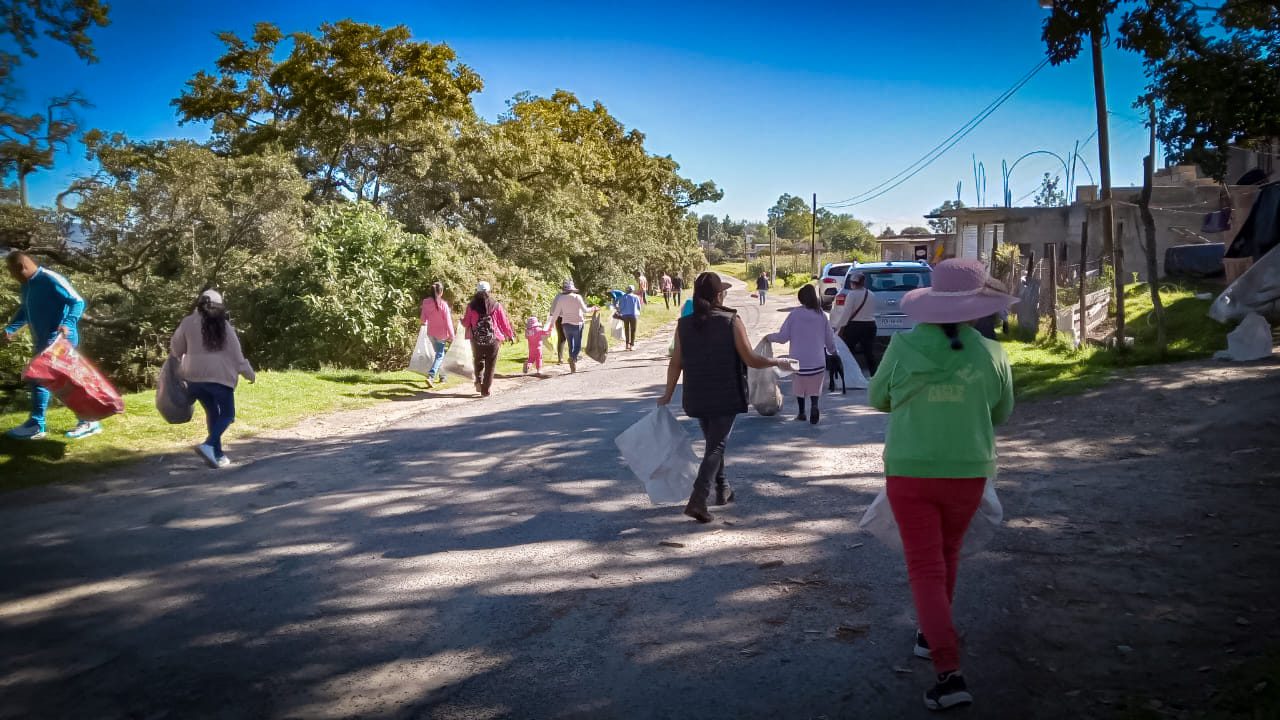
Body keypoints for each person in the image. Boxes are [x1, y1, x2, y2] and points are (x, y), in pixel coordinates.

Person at [867, 259, 1016, 711]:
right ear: (976, 308)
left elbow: (877, 399)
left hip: (910, 472)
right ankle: (934, 638)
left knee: (924, 568)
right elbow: (1002, 413)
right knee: (947, 556)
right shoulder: (993, 354)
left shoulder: (901, 346)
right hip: (968, 471)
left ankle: (948, 673)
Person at [657, 272, 791, 524]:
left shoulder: (683, 324)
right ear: (719, 295)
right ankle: (698, 499)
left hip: (696, 393)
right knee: (716, 445)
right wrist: (779, 361)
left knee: (713, 443)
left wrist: (668, 393)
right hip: (725, 391)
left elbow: (676, 363)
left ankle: (723, 489)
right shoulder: (730, 320)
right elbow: (750, 359)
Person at [2, 251, 101, 440]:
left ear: (21, 267)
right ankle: (41, 424)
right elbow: (25, 309)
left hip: (59, 340)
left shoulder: (49, 278)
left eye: (10, 271)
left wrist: (68, 323)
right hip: (43, 341)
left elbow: (77, 301)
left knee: (61, 380)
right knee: (43, 379)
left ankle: (84, 421)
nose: (10, 275)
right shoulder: (27, 285)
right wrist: (11, 329)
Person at [170, 290, 256, 468]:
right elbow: (237, 356)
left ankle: (217, 455)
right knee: (228, 415)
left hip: (194, 379)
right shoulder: (224, 327)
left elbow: (176, 349)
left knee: (212, 413)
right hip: (219, 379)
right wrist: (249, 373)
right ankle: (209, 445)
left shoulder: (187, 323)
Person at [766, 284, 837, 424]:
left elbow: (783, 337)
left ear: (801, 299)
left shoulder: (794, 315)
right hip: (817, 361)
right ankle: (815, 405)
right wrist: (833, 351)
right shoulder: (821, 315)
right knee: (814, 387)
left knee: (799, 386)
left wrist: (769, 337)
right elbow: (829, 338)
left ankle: (802, 412)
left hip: (797, 362)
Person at [461, 281, 515, 397]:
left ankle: (478, 381)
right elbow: (504, 323)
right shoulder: (496, 305)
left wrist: (462, 320)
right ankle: (485, 390)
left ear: (477, 291)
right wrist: (510, 335)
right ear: (488, 291)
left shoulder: (471, 306)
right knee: (490, 365)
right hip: (493, 340)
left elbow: (466, 323)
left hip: (476, 340)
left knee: (478, 360)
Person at [831, 271, 879, 376]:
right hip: (870, 325)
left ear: (853, 283)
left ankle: (850, 374)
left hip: (855, 326)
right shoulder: (871, 294)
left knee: (849, 352)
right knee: (869, 352)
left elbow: (846, 313)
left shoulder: (852, 295)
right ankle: (874, 374)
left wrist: (838, 327)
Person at [547, 280, 590, 373]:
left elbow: (555, 312)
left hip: (565, 323)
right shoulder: (577, 297)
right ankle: (573, 358)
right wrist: (593, 308)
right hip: (577, 323)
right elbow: (585, 310)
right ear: (572, 289)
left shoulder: (560, 298)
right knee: (577, 344)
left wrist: (551, 324)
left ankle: (571, 364)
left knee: (568, 343)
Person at [419, 282, 454, 386]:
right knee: (440, 355)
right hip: (441, 334)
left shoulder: (425, 302)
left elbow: (422, 319)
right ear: (441, 292)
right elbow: (448, 322)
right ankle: (431, 375)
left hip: (431, 333)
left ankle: (443, 377)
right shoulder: (443, 305)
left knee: (439, 354)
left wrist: (425, 322)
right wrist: (452, 336)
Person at [616, 284, 642, 350]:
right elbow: (639, 307)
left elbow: (620, 307)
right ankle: (632, 345)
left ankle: (627, 344)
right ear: (633, 290)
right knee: (633, 330)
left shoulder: (622, 297)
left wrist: (620, 312)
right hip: (634, 314)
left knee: (626, 329)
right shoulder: (636, 297)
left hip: (625, 315)